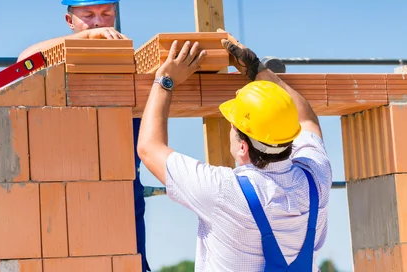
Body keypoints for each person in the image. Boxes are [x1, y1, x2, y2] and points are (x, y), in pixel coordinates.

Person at [136, 37, 332, 271]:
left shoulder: (224, 191)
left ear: (243, 147)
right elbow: (306, 119)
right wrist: (260, 71)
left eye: (232, 126)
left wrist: (165, 80)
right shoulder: (316, 178)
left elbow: (149, 147)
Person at [18, 0, 151, 272]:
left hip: (123, 189)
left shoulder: (130, 62)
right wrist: (87, 38)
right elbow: (24, 60)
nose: (99, 22)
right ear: (70, 20)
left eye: (106, 13)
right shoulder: (58, 56)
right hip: (71, 187)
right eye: (88, 15)